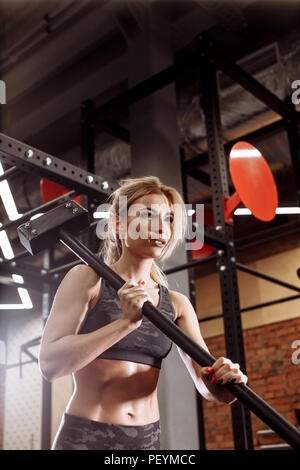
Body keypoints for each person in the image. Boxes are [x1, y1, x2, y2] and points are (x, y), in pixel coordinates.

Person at [39, 175, 248, 450]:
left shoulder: (176, 304)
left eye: (170, 219)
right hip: (87, 436)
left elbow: (206, 385)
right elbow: (50, 365)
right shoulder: (87, 280)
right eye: (148, 215)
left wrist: (226, 382)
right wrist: (124, 324)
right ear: (117, 223)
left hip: (147, 440)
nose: (162, 227)